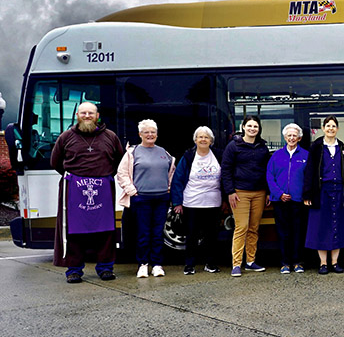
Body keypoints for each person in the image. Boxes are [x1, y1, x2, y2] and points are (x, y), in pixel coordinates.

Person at [50, 102, 124, 283]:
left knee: (105, 230)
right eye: (83, 113)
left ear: (97, 116)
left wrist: (102, 177)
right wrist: (77, 179)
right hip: (74, 191)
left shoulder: (110, 137)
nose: (87, 116)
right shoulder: (66, 137)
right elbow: (55, 162)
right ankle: (74, 270)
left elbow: (119, 161)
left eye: (91, 113)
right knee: (73, 230)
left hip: (103, 190)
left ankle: (105, 268)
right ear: (77, 115)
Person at [116, 119, 176, 278]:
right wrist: (132, 191)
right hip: (141, 199)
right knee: (143, 233)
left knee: (158, 233)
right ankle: (143, 264)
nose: (150, 135)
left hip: (162, 199)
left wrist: (168, 188)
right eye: (146, 132)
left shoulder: (163, 152)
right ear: (140, 134)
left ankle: (157, 265)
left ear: (157, 134)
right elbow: (122, 174)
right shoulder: (132, 153)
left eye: (153, 132)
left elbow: (171, 172)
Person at [304, 116, 344, 274]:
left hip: (339, 191)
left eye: (333, 126)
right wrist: (307, 194)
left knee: (337, 225)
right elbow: (309, 171)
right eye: (328, 126)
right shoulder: (316, 147)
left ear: (337, 129)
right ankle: (323, 264)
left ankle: (335, 262)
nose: (331, 129)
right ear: (323, 128)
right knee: (321, 226)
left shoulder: (342, 148)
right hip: (321, 191)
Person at [170, 126, 225, 275]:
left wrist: (226, 199)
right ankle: (190, 265)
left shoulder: (219, 155)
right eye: (200, 137)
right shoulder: (188, 157)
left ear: (211, 141)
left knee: (212, 235)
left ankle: (210, 263)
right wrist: (177, 203)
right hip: (192, 202)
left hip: (214, 203)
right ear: (195, 140)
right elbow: (178, 180)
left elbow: (225, 177)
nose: (203, 140)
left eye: (206, 137)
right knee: (192, 235)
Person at [221, 116, 271, 277]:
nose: (252, 129)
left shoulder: (263, 147)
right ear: (243, 127)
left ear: (259, 129)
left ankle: (250, 261)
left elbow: (267, 171)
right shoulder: (233, 146)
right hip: (240, 193)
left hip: (259, 193)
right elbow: (226, 170)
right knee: (241, 227)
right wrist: (230, 191)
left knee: (254, 228)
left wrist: (268, 192)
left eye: (255, 126)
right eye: (249, 125)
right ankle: (236, 264)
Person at [266, 123, 309, 274]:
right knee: (283, 233)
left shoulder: (306, 155)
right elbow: (270, 176)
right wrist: (279, 194)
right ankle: (285, 263)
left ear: (299, 138)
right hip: (280, 201)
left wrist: (304, 195)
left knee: (298, 232)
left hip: (298, 201)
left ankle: (298, 262)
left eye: (294, 135)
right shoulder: (276, 155)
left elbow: (309, 178)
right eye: (289, 135)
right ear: (284, 137)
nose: (291, 138)